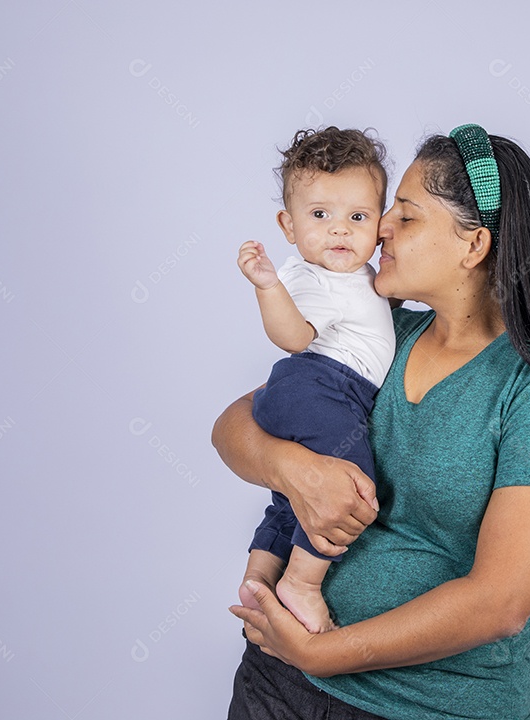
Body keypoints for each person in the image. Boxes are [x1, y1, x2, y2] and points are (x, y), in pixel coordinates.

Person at [213, 123, 530, 720]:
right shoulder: (384, 336)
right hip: (278, 682)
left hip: (424, 706)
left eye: (407, 216)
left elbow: (498, 604)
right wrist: (295, 469)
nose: (380, 226)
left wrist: (324, 653)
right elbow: (234, 425)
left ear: (474, 246)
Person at [235, 126, 396, 634]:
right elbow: (295, 337)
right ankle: (302, 584)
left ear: (380, 224)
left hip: (314, 390)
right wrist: (268, 288)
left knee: (290, 498)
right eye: (320, 215)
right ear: (289, 224)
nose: (339, 231)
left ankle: (259, 576)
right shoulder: (313, 278)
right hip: (321, 386)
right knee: (350, 481)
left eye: (357, 217)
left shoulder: (358, 276)